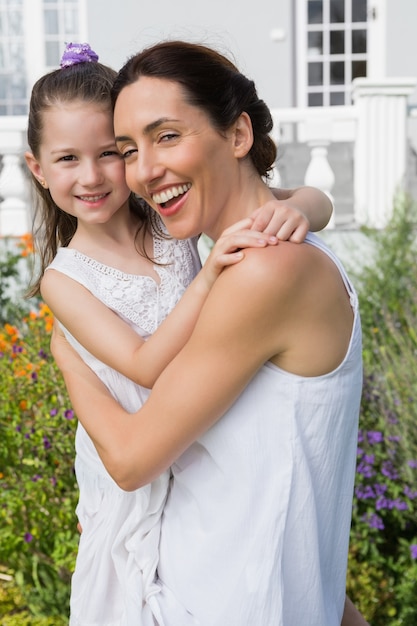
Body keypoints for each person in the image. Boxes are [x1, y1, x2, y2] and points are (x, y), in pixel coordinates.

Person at [51, 41, 364, 626]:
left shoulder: (264, 272)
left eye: (167, 136)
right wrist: (311, 204)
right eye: (129, 150)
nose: (143, 171)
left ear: (238, 135)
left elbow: (129, 459)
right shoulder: (236, 251)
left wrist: (64, 354)